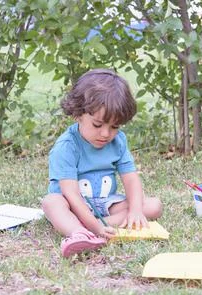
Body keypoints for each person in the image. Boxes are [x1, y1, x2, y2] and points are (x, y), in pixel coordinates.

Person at [42, 69, 163, 258]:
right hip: (72, 204)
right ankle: (79, 232)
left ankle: (96, 224)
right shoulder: (66, 146)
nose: (106, 134)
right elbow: (71, 194)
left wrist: (136, 211)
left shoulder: (118, 141)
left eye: (114, 127)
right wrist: (94, 225)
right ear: (78, 114)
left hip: (106, 204)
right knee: (52, 203)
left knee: (153, 206)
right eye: (97, 125)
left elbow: (131, 179)